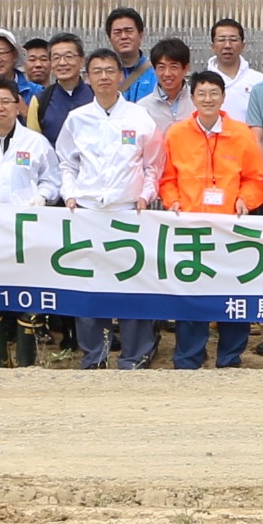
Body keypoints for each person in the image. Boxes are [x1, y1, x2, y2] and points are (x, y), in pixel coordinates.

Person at [55, 63, 163, 370]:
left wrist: (147, 194)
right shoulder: (77, 119)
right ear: (87, 78)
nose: (104, 77)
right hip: (88, 211)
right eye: (97, 71)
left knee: (133, 285)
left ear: (119, 77)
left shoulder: (139, 117)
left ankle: (135, 355)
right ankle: (95, 356)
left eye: (110, 71)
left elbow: (153, 163)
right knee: (89, 286)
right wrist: (70, 193)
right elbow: (66, 161)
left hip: (128, 210)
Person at [159, 72, 263, 369]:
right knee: (192, 295)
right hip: (191, 230)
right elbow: (167, 178)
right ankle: (188, 358)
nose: (208, 99)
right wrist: (173, 200)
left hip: (231, 229)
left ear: (223, 97)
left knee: (233, 295)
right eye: (202, 93)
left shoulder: (241, 133)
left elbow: (255, 178)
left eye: (214, 93)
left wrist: (247, 199)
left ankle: (230, 358)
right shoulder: (176, 133)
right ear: (192, 98)